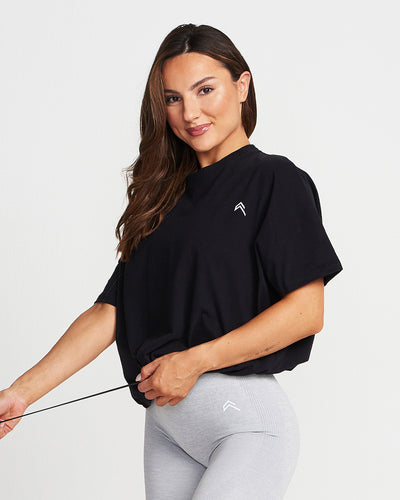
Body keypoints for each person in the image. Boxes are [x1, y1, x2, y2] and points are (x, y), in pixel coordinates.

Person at [0, 23, 343, 499]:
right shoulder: (163, 201)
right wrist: (20, 393)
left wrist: (195, 361)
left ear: (242, 85)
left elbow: (307, 312)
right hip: (168, 427)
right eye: (173, 98)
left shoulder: (274, 180)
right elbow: (109, 312)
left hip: (245, 425)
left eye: (205, 90)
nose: (190, 112)